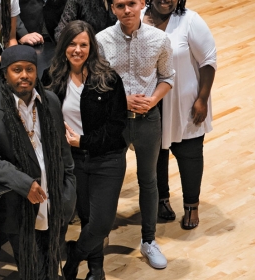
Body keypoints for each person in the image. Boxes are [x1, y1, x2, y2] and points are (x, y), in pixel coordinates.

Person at [0, 45, 76, 279]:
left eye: (29, 69)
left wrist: (69, 193)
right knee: (33, 272)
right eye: (16, 70)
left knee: (51, 267)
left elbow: (63, 152)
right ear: (5, 74)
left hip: (56, 203)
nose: (24, 76)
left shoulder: (49, 101)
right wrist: (24, 183)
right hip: (21, 209)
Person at [42, 20, 127, 280]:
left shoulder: (109, 79)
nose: (77, 49)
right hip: (72, 160)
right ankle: (96, 268)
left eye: (83, 44)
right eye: (72, 44)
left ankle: (74, 257)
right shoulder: (51, 78)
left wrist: (83, 141)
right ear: (63, 46)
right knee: (88, 217)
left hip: (107, 159)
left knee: (101, 223)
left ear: (92, 47)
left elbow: (117, 127)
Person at [96, 0, 174, 269]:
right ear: (112, 9)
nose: (126, 10)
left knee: (148, 180)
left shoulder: (160, 39)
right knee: (108, 181)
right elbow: (96, 83)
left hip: (147, 119)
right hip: (114, 122)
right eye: (119, 5)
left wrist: (152, 101)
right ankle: (101, 235)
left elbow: (167, 77)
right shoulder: (101, 40)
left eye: (131, 3)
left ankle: (148, 241)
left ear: (142, 3)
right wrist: (120, 101)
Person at [143, 0, 217, 230]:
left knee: (190, 154)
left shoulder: (190, 21)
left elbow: (208, 61)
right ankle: (161, 200)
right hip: (150, 103)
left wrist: (202, 99)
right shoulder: (138, 19)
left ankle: (191, 205)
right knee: (155, 156)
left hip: (185, 103)